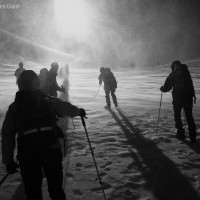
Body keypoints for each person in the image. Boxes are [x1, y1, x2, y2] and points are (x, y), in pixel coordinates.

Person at [1, 70, 86, 200]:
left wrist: (8, 161)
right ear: (37, 83)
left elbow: (7, 135)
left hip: (28, 155)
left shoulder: (15, 107)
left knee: (33, 193)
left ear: (20, 85)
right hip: (51, 150)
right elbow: (63, 107)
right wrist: (78, 111)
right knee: (56, 190)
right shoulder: (47, 100)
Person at [160, 60, 197, 143]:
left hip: (178, 98)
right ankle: (193, 136)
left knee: (177, 115)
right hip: (188, 98)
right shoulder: (186, 72)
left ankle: (181, 134)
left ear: (173, 66)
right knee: (189, 116)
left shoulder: (173, 73)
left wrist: (163, 89)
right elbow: (190, 84)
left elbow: (167, 87)